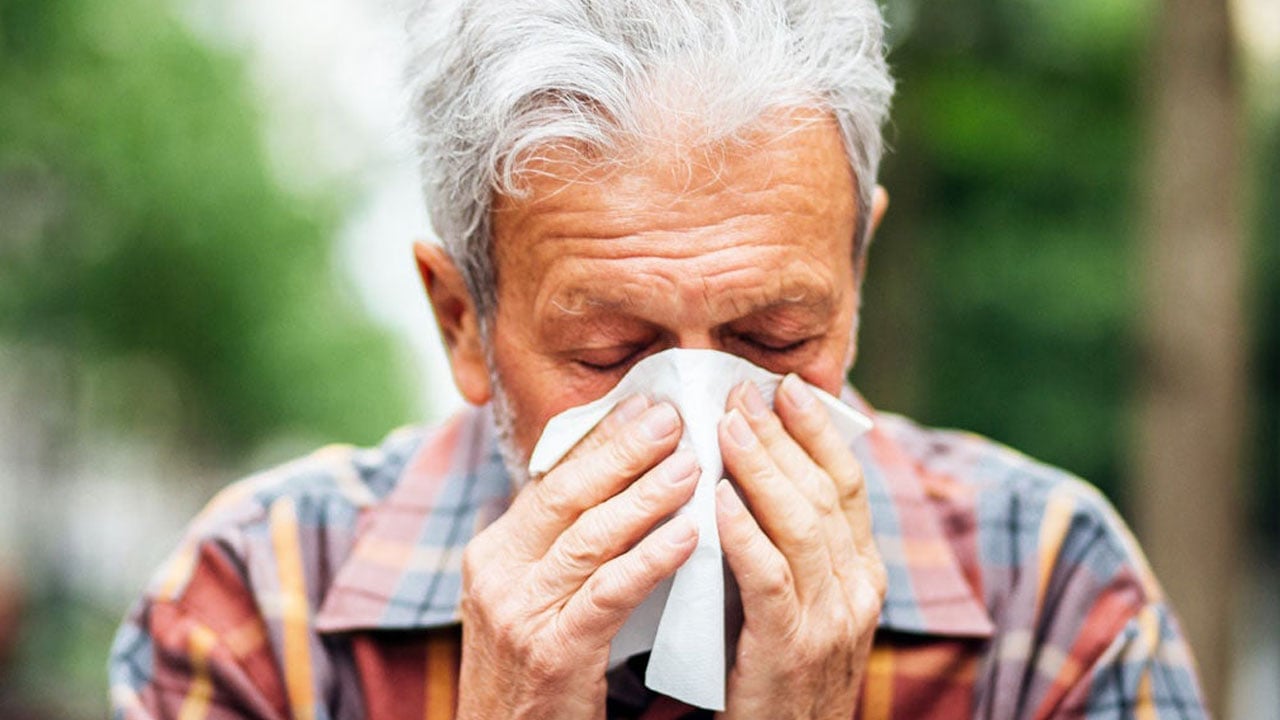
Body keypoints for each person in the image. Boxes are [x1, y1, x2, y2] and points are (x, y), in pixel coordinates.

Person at [108, 1, 1209, 718]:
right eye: (607, 352)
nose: (694, 412)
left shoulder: (1051, 601)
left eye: (774, 339)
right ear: (461, 323)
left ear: (857, 271)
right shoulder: (257, 609)